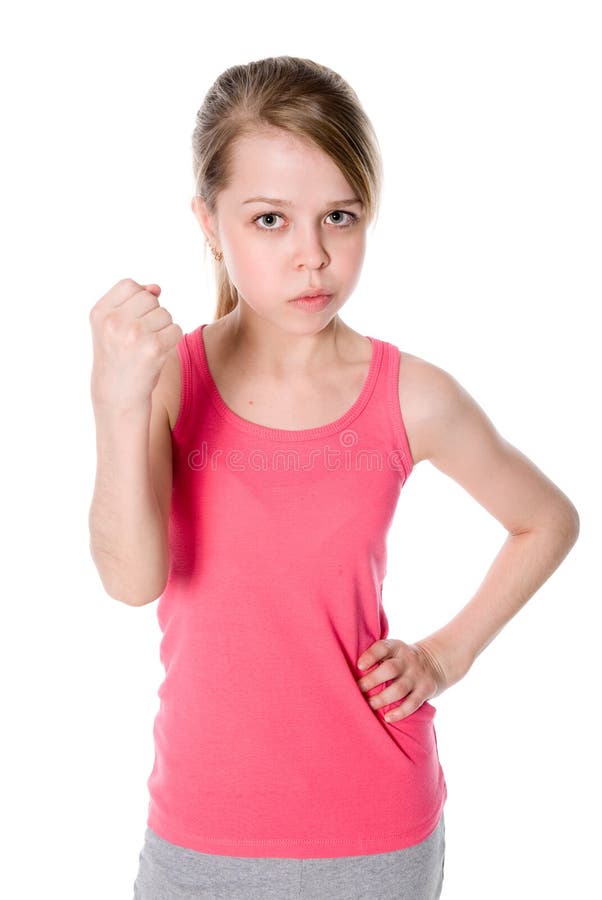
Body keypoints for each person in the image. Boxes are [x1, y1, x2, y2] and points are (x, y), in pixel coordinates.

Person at [88, 56, 580, 900]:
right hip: (201, 832)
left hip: (376, 835)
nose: (311, 256)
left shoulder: (411, 396)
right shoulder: (171, 378)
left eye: (339, 217)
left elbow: (547, 520)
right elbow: (132, 581)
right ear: (210, 223)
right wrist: (116, 400)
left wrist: (443, 656)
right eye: (270, 219)